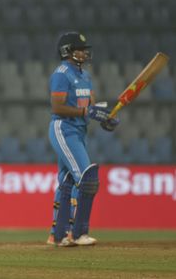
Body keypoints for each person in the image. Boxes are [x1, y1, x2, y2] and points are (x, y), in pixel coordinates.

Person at [48, 32, 119, 247]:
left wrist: (104, 117)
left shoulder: (85, 75)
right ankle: (79, 233)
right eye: (79, 48)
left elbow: (91, 106)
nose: (84, 52)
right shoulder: (61, 74)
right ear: (67, 51)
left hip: (79, 131)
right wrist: (85, 113)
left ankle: (58, 235)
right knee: (86, 178)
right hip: (64, 128)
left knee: (67, 181)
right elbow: (57, 107)